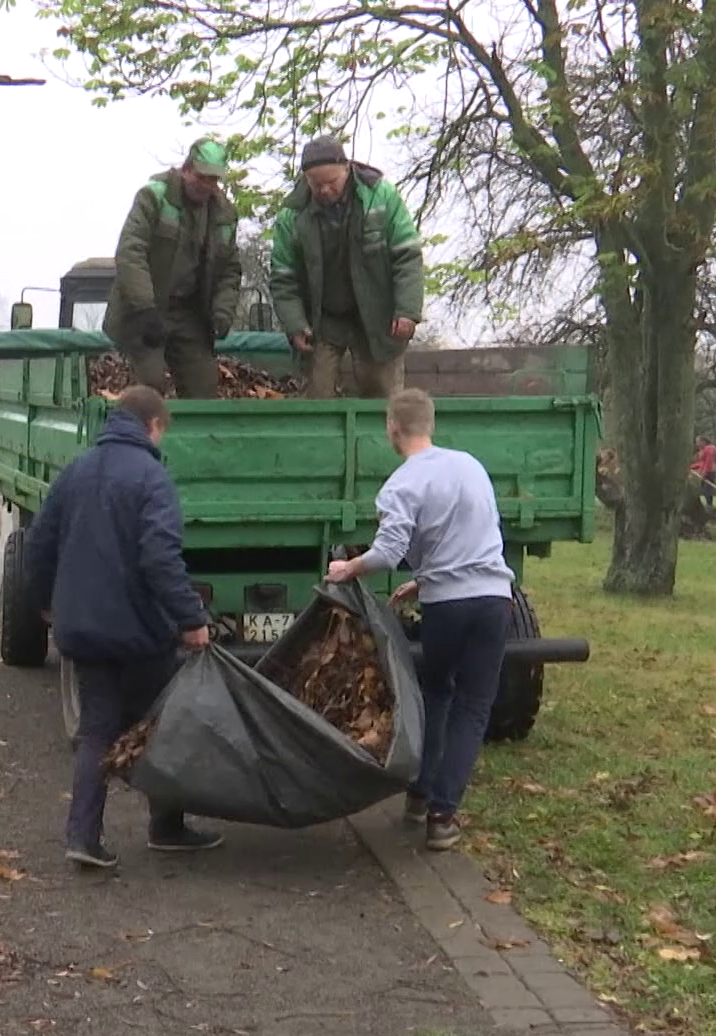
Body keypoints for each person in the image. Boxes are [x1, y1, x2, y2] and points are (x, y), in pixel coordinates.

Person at [24, 385, 222, 868]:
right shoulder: (152, 478)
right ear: (153, 426)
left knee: (97, 730)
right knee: (159, 725)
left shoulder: (75, 470)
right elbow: (160, 558)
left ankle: (83, 838)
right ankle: (167, 827)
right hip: (138, 635)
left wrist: (45, 604)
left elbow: (39, 546)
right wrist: (191, 620)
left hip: (84, 630)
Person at [324, 389, 512, 852]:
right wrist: (424, 579)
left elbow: (388, 552)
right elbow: (476, 537)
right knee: (474, 705)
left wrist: (348, 569)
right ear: (431, 423)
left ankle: (422, 794)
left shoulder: (402, 484)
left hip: (447, 607)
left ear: (393, 428)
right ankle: (442, 817)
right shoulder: (471, 466)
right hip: (492, 600)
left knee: (438, 692)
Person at [269, 136, 426, 399]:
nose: (325, 190)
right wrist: (295, 324)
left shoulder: (381, 197)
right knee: (317, 394)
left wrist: (408, 310)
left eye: (332, 183)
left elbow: (407, 255)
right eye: (316, 184)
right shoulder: (292, 215)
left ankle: (386, 440)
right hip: (323, 320)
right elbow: (284, 277)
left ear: (347, 169)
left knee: (382, 394)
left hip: (377, 315)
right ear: (305, 179)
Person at [102, 138, 243, 400]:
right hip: (145, 309)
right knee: (151, 385)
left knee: (204, 387)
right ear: (186, 169)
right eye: (202, 177)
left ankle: (195, 439)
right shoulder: (153, 197)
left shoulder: (224, 214)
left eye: (214, 180)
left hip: (190, 314)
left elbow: (230, 269)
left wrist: (222, 312)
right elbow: (130, 253)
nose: (208, 186)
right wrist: (144, 308)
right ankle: (141, 437)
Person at [690, 434, 716, 507]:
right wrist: (691, 467)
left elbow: (708, 462)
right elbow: (702, 463)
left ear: (703, 442)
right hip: (704, 471)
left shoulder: (709, 449)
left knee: (707, 490)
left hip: (710, 472)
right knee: (704, 490)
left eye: (698, 441)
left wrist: (704, 473)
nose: (697, 444)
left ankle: (709, 505)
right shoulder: (702, 451)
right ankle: (709, 504)